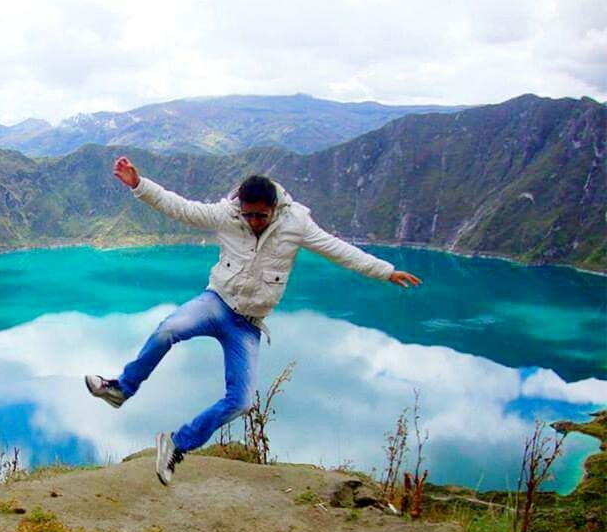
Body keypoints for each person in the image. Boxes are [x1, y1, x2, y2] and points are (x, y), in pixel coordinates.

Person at [86, 156, 422, 485]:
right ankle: (121, 388)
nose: (254, 222)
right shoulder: (227, 214)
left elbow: (338, 250)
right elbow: (181, 208)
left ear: (275, 208)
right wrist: (139, 185)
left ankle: (176, 444)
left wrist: (386, 271)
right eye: (248, 215)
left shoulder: (296, 224)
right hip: (216, 302)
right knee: (169, 329)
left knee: (241, 402)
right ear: (240, 207)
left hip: (247, 324)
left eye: (261, 216)